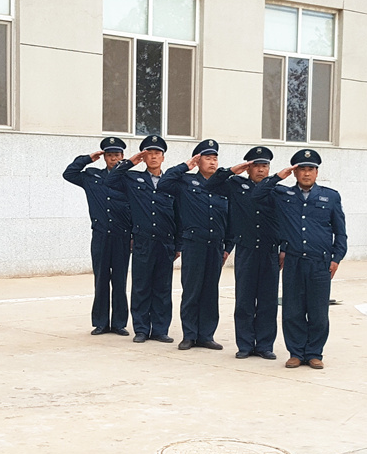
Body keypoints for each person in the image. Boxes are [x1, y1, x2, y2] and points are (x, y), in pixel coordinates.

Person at [252, 149, 347, 369]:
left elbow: (340, 231)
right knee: (292, 310)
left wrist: (337, 258)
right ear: (295, 172)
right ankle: (296, 352)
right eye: (302, 169)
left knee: (318, 311)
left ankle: (314, 353)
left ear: (317, 172)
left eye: (311, 169)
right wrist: (278, 176)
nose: (306, 173)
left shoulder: (331, 196)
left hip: (320, 262)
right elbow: (257, 195)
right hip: (294, 261)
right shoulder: (282, 194)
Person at [206, 146, 280, 360]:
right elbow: (211, 185)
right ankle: (245, 345)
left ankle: (265, 345)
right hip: (246, 250)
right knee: (244, 300)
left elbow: (285, 221)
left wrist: (283, 248)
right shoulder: (236, 185)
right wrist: (231, 170)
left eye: (264, 166)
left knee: (267, 301)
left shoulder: (276, 190)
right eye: (256, 166)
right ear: (248, 168)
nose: (261, 170)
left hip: (269, 251)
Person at [106, 135, 180, 344]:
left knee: (162, 288)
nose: (153, 157)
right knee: (141, 287)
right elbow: (110, 180)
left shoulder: (172, 183)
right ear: (144, 157)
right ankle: (141, 329)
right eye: (149, 154)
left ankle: (160, 330)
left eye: (157, 153)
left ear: (163, 158)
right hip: (142, 241)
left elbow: (179, 215)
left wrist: (178, 245)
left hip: (165, 242)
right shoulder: (132, 179)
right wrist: (130, 162)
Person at [159, 139, 231, 351]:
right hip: (193, 244)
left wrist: (228, 247)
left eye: (215, 158)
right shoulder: (185, 182)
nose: (212, 162)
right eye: (207, 158)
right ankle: (189, 335)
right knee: (191, 290)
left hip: (216, 246)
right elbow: (164, 183)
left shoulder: (225, 186)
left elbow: (233, 218)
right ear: (198, 161)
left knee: (210, 292)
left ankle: (206, 335)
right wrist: (185, 165)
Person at [63, 137, 132, 336]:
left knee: (119, 281)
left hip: (122, 236)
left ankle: (119, 323)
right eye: (109, 155)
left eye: (117, 155)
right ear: (104, 158)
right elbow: (69, 174)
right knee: (101, 280)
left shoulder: (129, 179)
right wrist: (87, 159)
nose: (113, 159)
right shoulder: (92, 176)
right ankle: (101, 323)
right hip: (101, 236)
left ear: (123, 156)